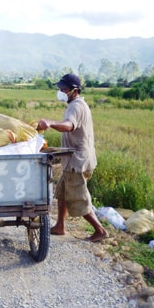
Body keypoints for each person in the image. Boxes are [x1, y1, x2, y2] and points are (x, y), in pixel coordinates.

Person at [37, 73, 108, 242]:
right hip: (75, 159)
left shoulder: (76, 106)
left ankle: (100, 230)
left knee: (78, 198)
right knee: (62, 192)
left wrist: (50, 123)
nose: (60, 91)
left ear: (74, 91)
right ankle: (60, 225)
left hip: (78, 162)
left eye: (64, 88)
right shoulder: (76, 104)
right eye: (60, 87)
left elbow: (69, 126)